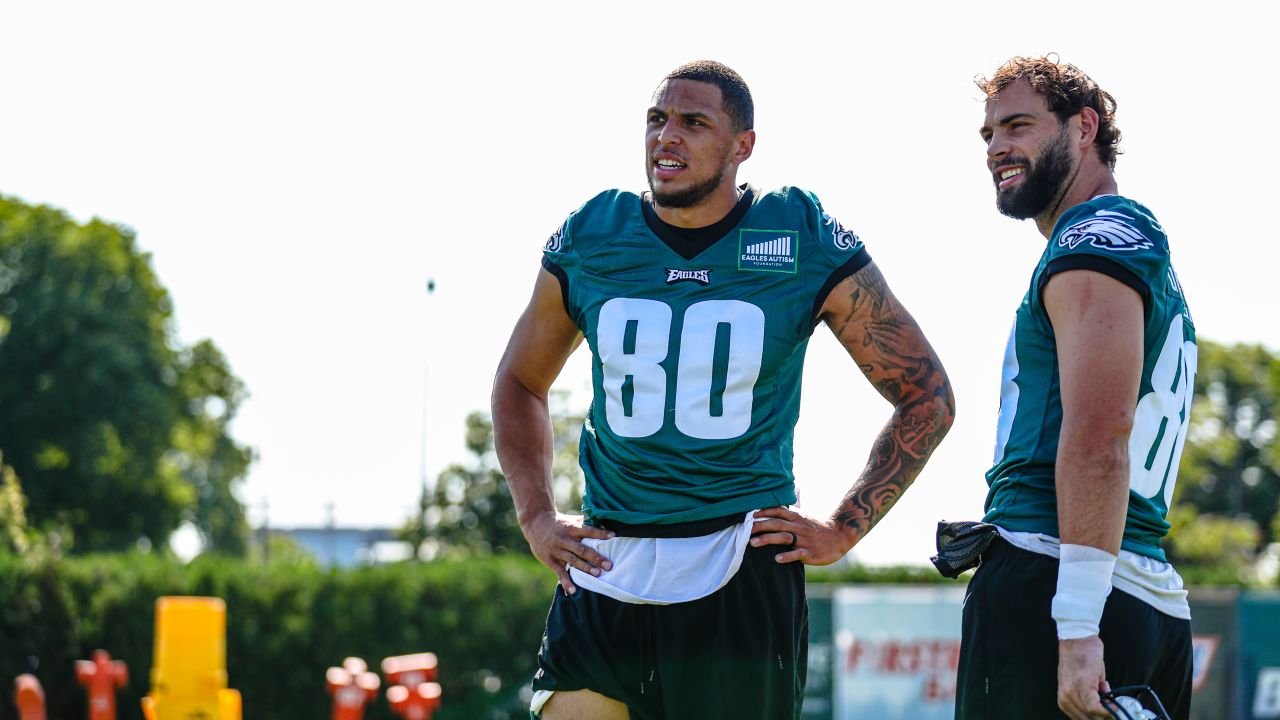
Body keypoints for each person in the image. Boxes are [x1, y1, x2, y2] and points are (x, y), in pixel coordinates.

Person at [491, 60, 954, 720]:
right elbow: (518, 382)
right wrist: (537, 516)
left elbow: (927, 394)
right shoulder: (595, 235)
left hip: (738, 565)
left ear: (743, 146)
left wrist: (844, 527)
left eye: (693, 122)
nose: (666, 137)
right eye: (656, 120)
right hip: (607, 559)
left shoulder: (797, 234)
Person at [954, 56, 1196, 720]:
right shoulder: (1133, 245)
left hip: (1060, 580)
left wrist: (1077, 623)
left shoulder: (1097, 238)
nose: (998, 147)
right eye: (989, 134)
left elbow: (1099, 434)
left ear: (1083, 127)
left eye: (1019, 125)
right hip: (1138, 587)